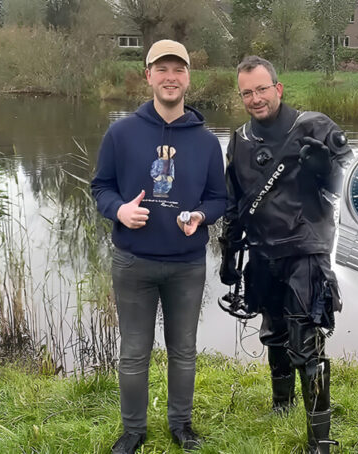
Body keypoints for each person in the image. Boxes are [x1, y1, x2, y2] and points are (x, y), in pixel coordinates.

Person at [91, 39, 227, 454]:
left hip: (187, 265)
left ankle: (181, 426)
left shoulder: (205, 141)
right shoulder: (121, 133)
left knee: (183, 350)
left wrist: (202, 217)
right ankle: (133, 430)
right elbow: (101, 187)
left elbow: (219, 197)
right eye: (162, 69)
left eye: (179, 70)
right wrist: (119, 211)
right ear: (148, 75)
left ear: (188, 78)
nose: (171, 78)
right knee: (133, 352)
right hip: (133, 262)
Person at [219, 56, 353, 453]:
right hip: (262, 253)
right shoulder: (240, 140)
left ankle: (320, 440)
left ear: (278, 88)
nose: (256, 98)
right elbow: (234, 199)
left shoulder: (313, 126)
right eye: (247, 92)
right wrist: (229, 252)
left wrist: (325, 169)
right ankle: (281, 405)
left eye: (262, 89)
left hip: (306, 249)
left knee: (307, 343)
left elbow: (354, 183)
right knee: (273, 334)